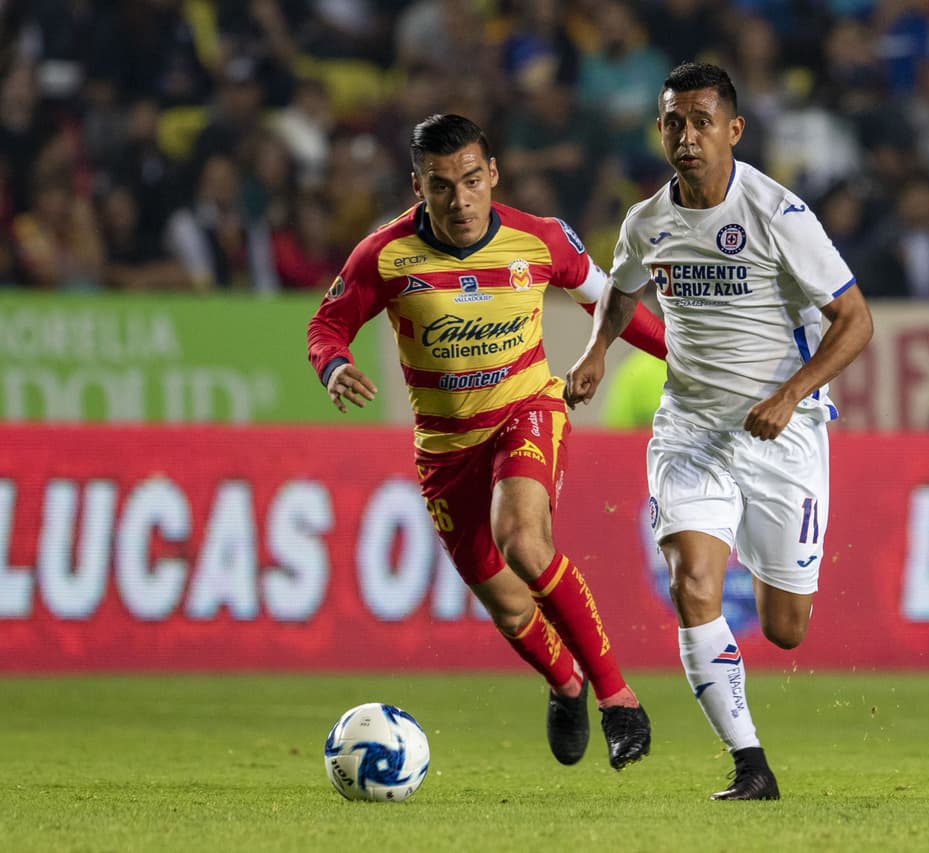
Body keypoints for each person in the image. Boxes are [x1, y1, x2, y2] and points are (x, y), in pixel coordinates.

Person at [306, 113, 666, 770]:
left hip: (526, 410)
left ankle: (620, 699)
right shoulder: (384, 255)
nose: (460, 200)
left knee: (524, 542)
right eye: (441, 186)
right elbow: (327, 325)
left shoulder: (541, 240)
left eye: (472, 180)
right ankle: (567, 684)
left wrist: (681, 355)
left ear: (492, 174)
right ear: (419, 186)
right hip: (446, 452)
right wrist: (334, 365)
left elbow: (609, 301)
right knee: (507, 604)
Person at [565, 63, 874, 800]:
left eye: (703, 121)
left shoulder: (779, 214)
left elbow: (857, 321)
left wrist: (791, 392)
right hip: (692, 429)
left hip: (783, 432)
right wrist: (595, 353)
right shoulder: (646, 222)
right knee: (693, 583)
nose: (687, 136)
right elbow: (620, 293)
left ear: (733, 130)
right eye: (674, 121)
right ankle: (750, 763)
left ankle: (751, 729)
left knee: (787, 625)